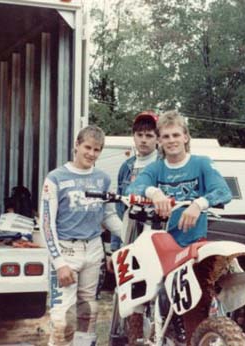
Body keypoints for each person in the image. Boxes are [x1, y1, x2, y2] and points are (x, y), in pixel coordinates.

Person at [127, 110, 232, 344]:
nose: (171, 140)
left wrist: (199, 203)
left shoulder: (200, 164)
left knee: (195, 303)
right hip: (162, 247)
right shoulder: (156, 169)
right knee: (146, 292)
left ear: (185, 136)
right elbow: (132, 189)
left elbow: (224, 191)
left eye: (176, 134)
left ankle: (195, 339)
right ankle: (145, 333)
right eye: (165, 136)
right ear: (160, 141)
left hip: (193, 246)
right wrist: (154, 192)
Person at [40, 125, 122, 346]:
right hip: (66, 249)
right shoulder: (55, 177)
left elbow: (108, 215)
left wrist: (129, 235)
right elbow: (46, 225)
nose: (91, 154)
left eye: (97, 150)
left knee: (88, 312)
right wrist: (59, 263)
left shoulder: (103, 178)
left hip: (93, 248)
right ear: (76, 145)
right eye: (87, 147)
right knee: (62, 317)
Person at [110, 110, 159, 345]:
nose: (144, 139)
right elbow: (118, 209)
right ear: (133, 136)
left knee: (157, 292)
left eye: (149, 135)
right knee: (130, 293)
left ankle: (159, 334)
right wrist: (115, 248)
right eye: (139, 134)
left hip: (156, 239)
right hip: (130, 236)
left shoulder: (163, 164)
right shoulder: (127, 167)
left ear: (157, 138)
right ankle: (132, 337)